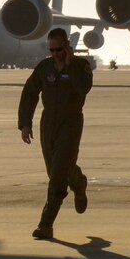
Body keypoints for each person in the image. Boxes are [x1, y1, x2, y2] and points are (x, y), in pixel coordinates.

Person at [18, 27, 91, 240]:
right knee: (54, 171)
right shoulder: (44, 67)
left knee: (58, 176)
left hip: (71, 123)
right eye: (52, 50)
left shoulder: (81, 66)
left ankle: (45, 224)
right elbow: (30, 93)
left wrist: (71, 65)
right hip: (48, 124)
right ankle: (78, 181)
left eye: (59, 49)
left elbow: (84, 88)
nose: (56, 54)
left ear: (67, 46)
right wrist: (25, 123)